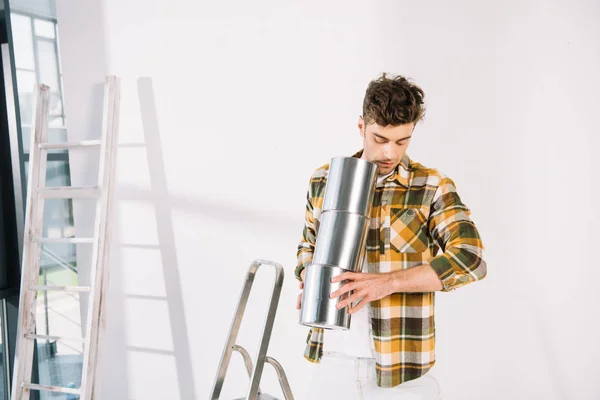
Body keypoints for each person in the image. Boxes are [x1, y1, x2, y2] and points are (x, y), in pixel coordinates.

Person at [294, 73, 487, 399]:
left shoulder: (430, 186)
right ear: (361, 126)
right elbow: (307, 244)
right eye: (380, 139)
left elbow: (471, 259)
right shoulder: (324, 180)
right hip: (333, 362)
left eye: (402, 141)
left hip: (403, 374)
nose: (390, 153)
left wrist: (388, 282)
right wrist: (308, 278)